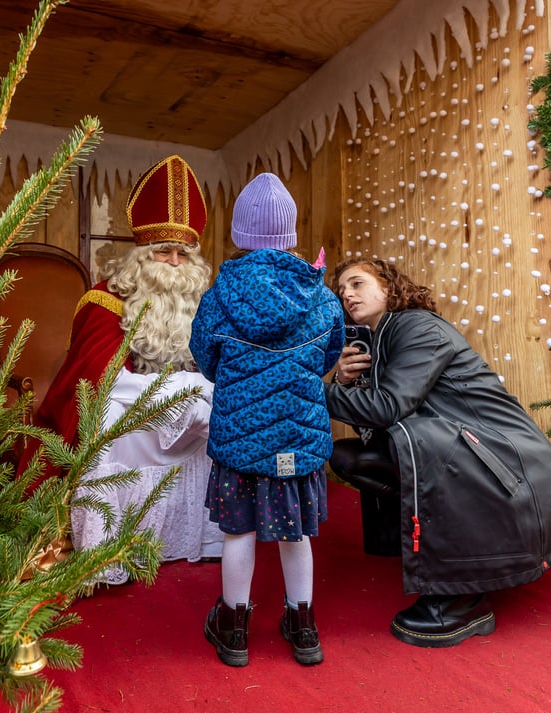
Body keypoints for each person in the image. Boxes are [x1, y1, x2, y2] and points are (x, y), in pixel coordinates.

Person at [325, 258, 551, 648]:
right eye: (341, 290)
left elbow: (388, 408)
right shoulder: (382, 338)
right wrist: (344, 381)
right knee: (351, 456)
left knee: (421, 444)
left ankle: (464, 596)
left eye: (357, 283)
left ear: (387, 286)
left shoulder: (417, 326)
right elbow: (375, 428)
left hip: (497, 451)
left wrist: (308, 388)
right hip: (459, 442)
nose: (347, 294)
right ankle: (433, 550)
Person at [31, 154, 224, 583]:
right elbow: (96, 383)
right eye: (163, 251)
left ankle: (205, 539)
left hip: (185, 416)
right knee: (107, 421)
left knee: (217, 418)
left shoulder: (203, 304)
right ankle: (107, 549)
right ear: (141, 255)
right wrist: (181, 390)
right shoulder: (106, 301)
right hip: (132, 413)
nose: (174, 263)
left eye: (183, 253)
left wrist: (194, 393)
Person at [189, 173, 345, 667]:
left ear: (240, 234)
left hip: (240, 440)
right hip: (298, 436)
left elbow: (206, 360)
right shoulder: (321, 296)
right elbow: (329, 357)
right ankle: (303, 629)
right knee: (295, 534)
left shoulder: (219, 296)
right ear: (290, 235)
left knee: (239, 533)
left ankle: (234, 631)